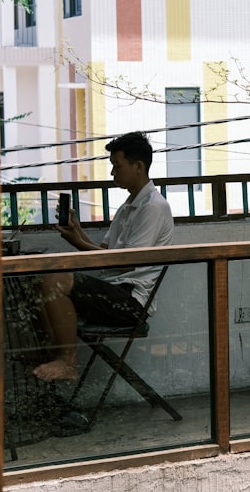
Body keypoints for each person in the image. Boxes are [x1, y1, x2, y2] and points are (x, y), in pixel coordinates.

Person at [34, 131, 174, 382]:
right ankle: (57, 357)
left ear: (138, 166)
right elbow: (107, 253)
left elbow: (124, 261)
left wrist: (78, 241)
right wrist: (77, 234)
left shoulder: (153, 207)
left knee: (55, 281)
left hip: (131, 301)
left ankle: (68, 362)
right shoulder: (129, 206)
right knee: (42, 281)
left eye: (117, 166)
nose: (113, 173)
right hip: (114, 289)